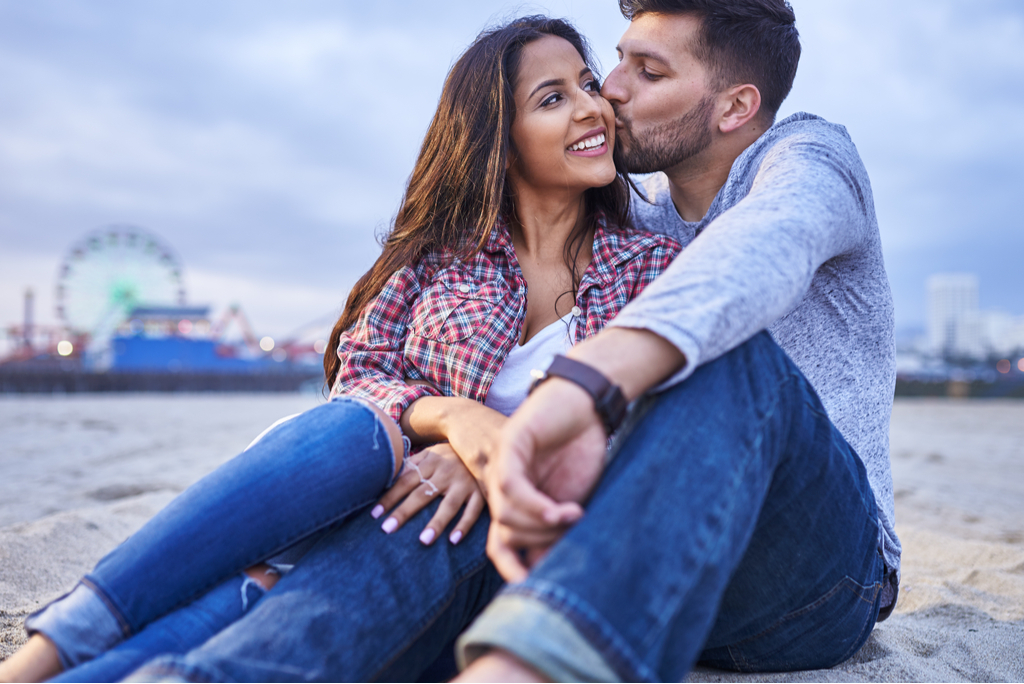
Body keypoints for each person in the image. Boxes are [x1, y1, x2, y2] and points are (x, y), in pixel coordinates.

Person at [119, 2, 898, 681]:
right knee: (443, 506)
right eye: (616, 63)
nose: (612, 90)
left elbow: (763, 249)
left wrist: (576, 389)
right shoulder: (630, 229)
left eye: (648, 73)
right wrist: (471, 441)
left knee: (727, 356)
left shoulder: (806, 161)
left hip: (812, 574)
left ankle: (535, 668)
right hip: (637, 558)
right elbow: (381, 369)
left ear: (734, 107)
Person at [0, 15, 681, 684]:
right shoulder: (439, 259)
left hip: (474, 542)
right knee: (352, 433)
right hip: (359, 489)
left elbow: (651, 434)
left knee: (317, 568)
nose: (592, 107)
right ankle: (49, 652)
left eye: (587, 83)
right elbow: (361, 375)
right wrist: (455, 420)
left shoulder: (651, 269)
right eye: (553, 98)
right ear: (500, 144)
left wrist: (498, 458)